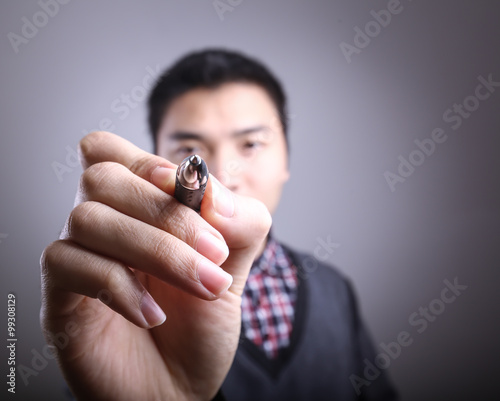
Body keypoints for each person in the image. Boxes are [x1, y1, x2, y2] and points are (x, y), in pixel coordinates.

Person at [40, 49, 398, 400]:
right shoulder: (122, 301)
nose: (224, 174)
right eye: (188, 149)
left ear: (287, 157)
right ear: (156, 159)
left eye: (251, 144)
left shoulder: (334, 289)